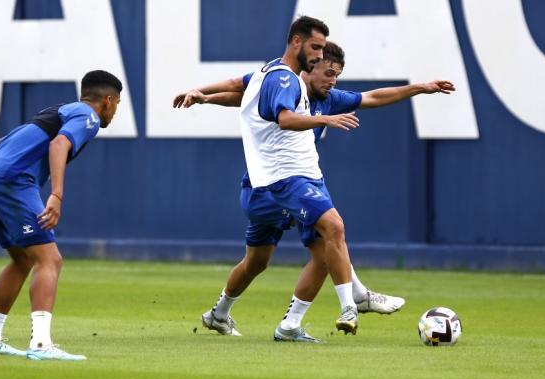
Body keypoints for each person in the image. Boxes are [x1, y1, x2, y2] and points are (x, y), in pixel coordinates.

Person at [175, 40, 455, 342]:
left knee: (257, 262)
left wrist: (420, 88)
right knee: (328, 234)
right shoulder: (283, 85)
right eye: (329, 72)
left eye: (337, 75)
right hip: (270, 187)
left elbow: (372, 97)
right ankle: (345, 303)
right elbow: (239, 91)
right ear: (310, 66)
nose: (333, 81)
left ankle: (218, 314)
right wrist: (203, 96)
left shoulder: (327, 97)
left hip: (276, 188)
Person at [0, 70, 123, 360]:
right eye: (117, 104)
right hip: (12, 181)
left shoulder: (56, 110)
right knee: (50, 259)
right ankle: (40, 344)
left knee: (22, 259)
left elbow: (1, 143)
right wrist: (57, 194)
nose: (115, 111)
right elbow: (59, 144)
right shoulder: (87, 117)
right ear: (108, 101)